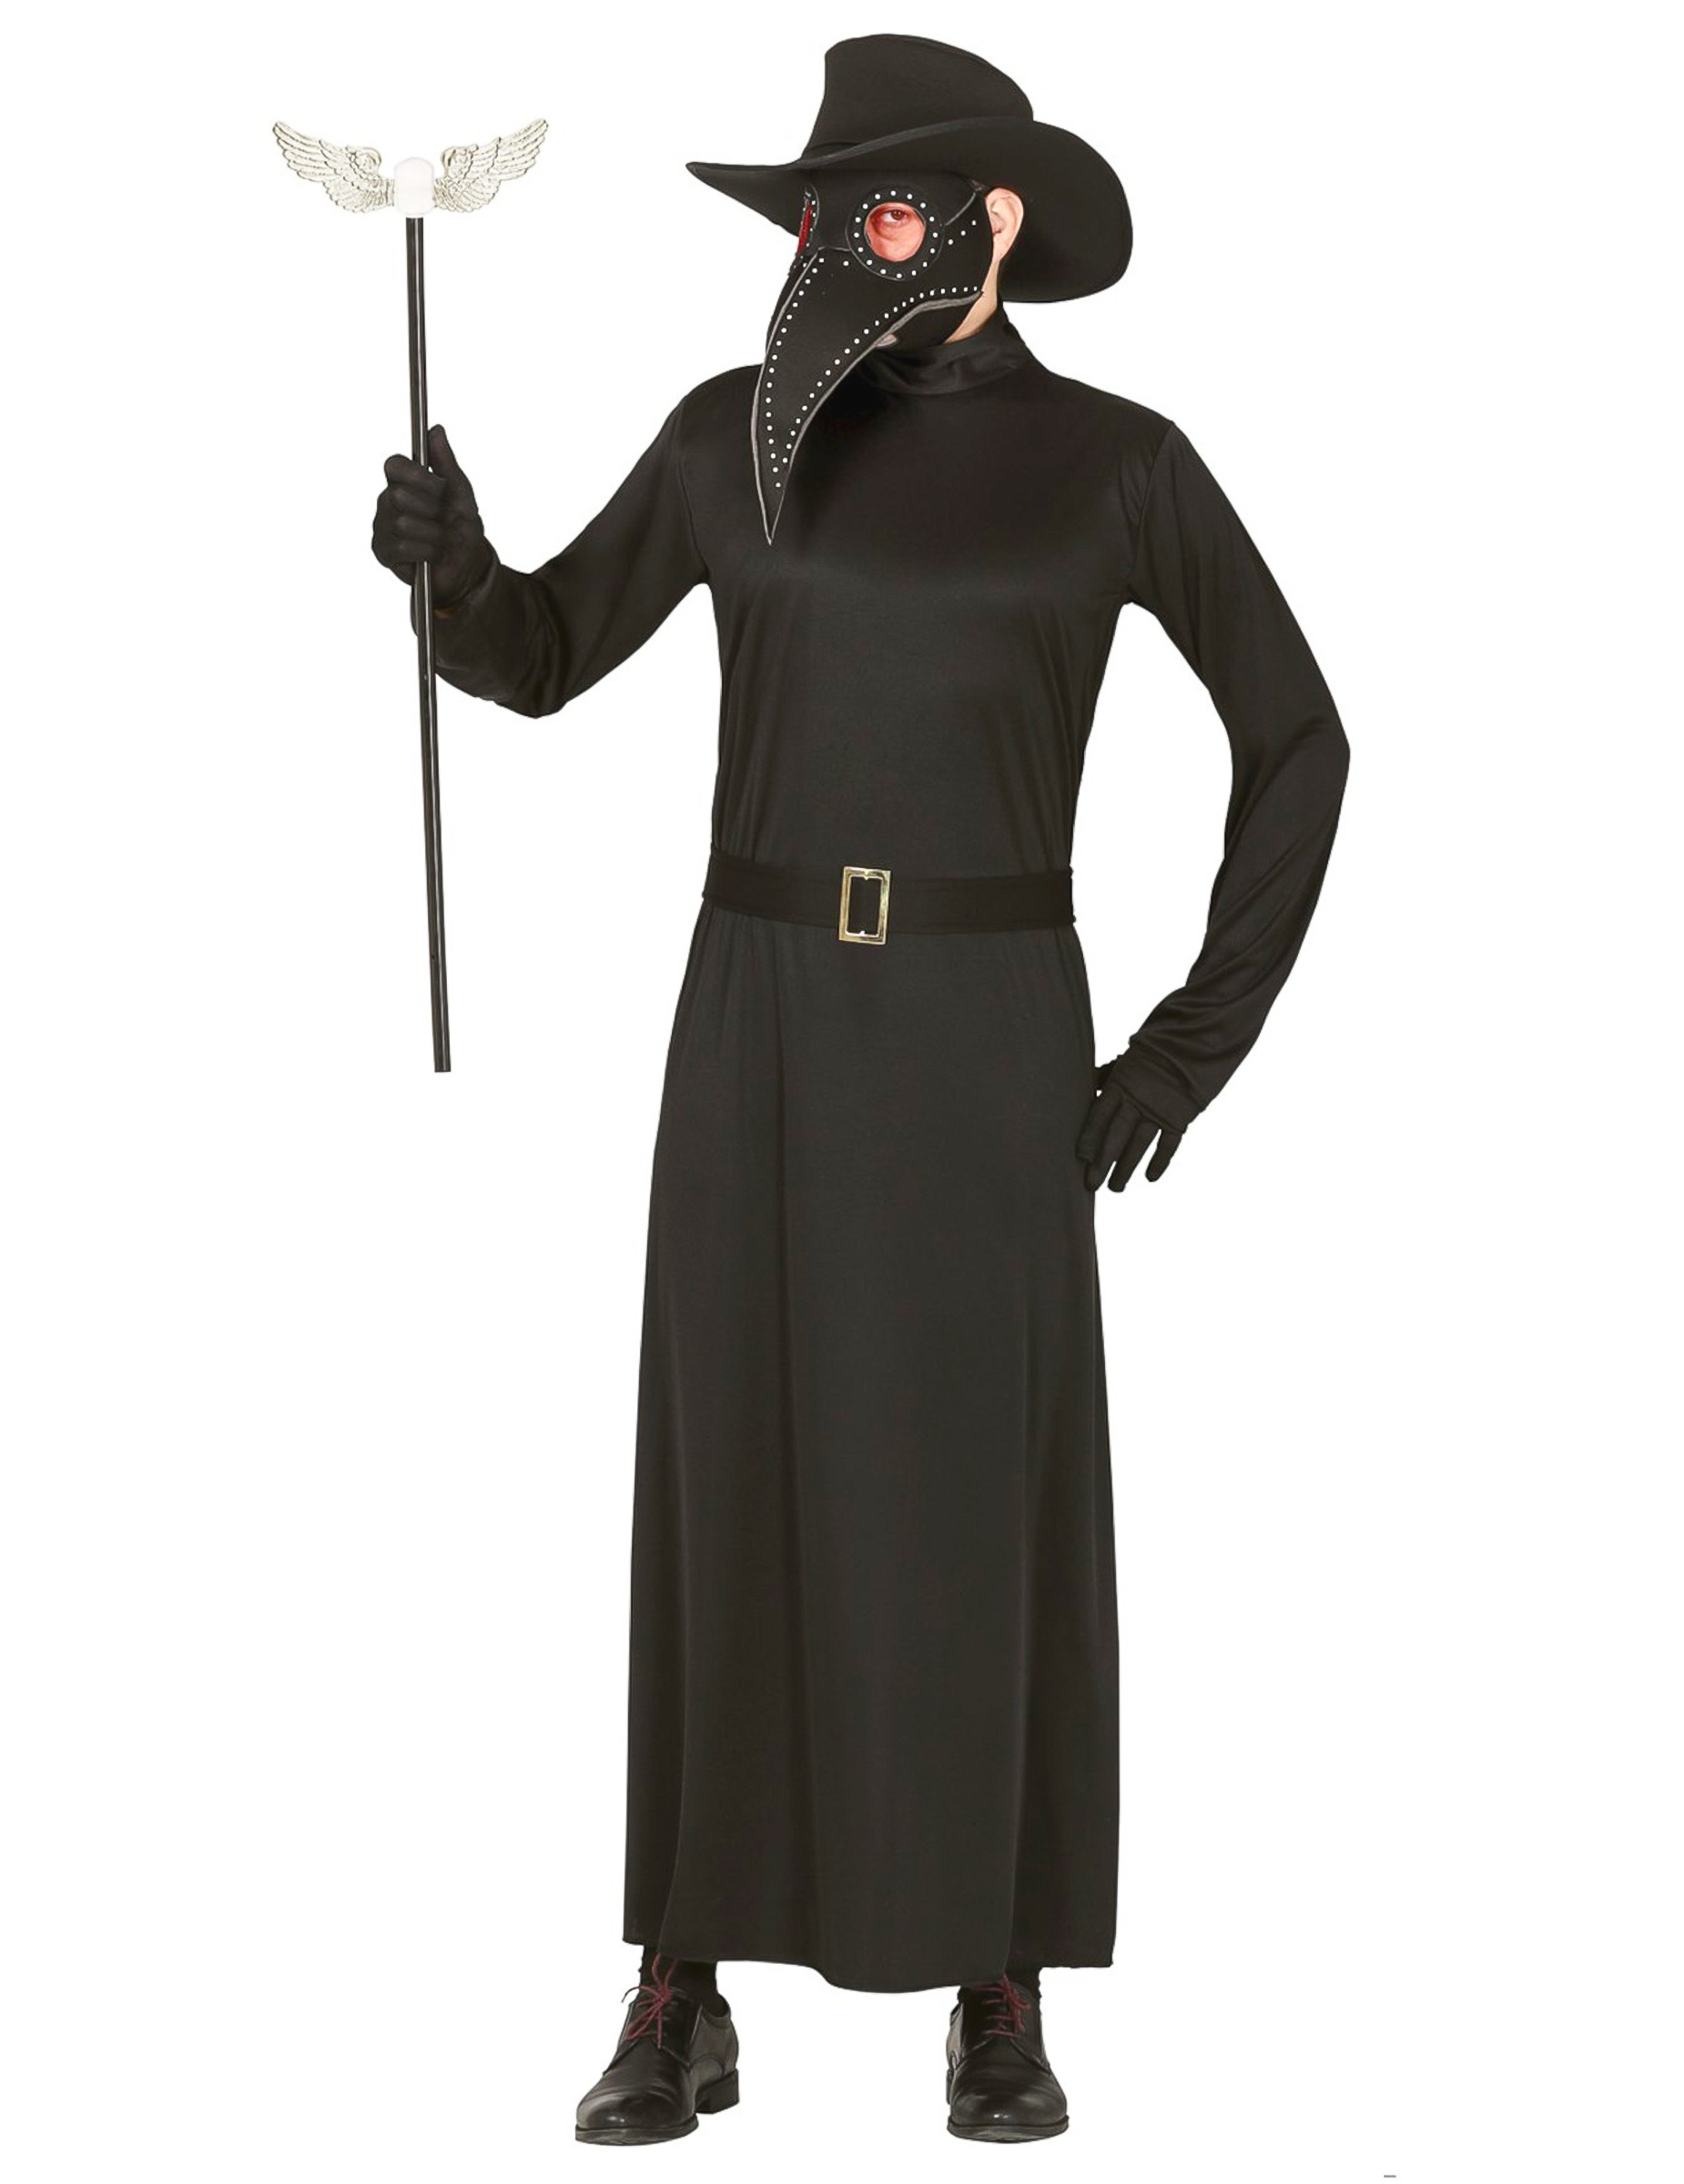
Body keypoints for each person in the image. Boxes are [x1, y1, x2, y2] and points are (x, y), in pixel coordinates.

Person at [371, 33, 1349, 2148]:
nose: (847, 241)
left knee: (972, 1491)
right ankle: (680, 1983)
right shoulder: (733, 438)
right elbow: (542, 651)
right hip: (760, 1012)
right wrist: (453, 570)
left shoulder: (1116, 465)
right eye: (830, 211)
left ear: (994, 219)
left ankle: (996, 1981)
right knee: (731, 1469)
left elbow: (1302, 736)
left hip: (990, 1032)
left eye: (888, 204)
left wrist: (1191, 1044)